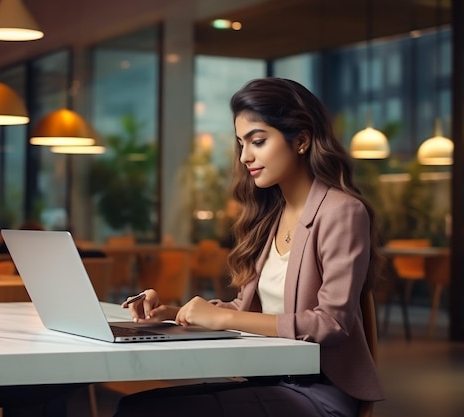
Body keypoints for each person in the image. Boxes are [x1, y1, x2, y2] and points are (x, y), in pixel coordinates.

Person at [116, 78, 385, 417]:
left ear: (301, 140)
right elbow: (248, 312)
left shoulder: (342, 211)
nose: (244, 156)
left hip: (320, 393)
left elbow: (331, 323)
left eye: (257, 141)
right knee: (134, 405)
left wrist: (222, 316)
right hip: (272, 378)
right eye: (241, 144)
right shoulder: (270, 217)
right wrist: (171, 313)